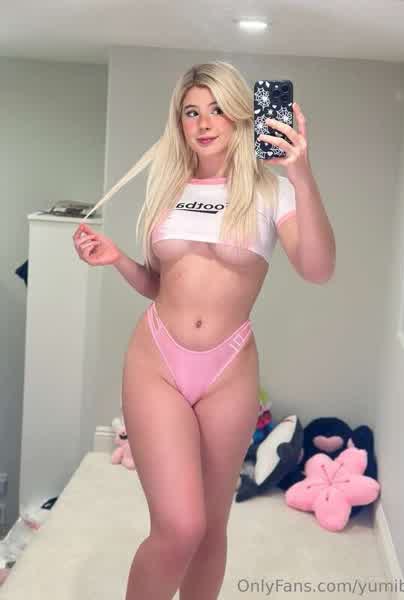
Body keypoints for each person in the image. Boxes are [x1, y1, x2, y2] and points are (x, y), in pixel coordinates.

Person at [72, 61, 335, 600]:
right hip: (157, 361)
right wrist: (118, 260)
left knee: (212, 528)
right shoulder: (167, 187)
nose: (204, 122)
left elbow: (318, 269)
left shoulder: (273, 192)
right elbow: (160, 285)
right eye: (191, 112)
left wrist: (301, 173)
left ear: (240, 115)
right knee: (181, 526)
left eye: (217, 109)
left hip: (229, 368)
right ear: (180, 122)